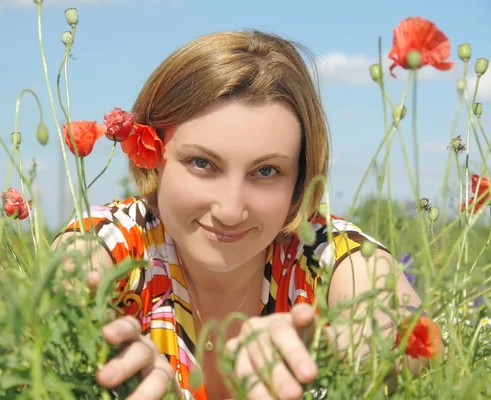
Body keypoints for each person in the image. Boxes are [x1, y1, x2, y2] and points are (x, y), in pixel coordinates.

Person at [52, 30, 431, 400]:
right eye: (202, 163)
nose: (230, 210)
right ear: (152, 152)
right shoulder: (116, 240)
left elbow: (411, 330)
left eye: (266, 171)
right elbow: (61, 286)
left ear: (300, 178)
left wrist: (336, 350)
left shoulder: (322, 251)